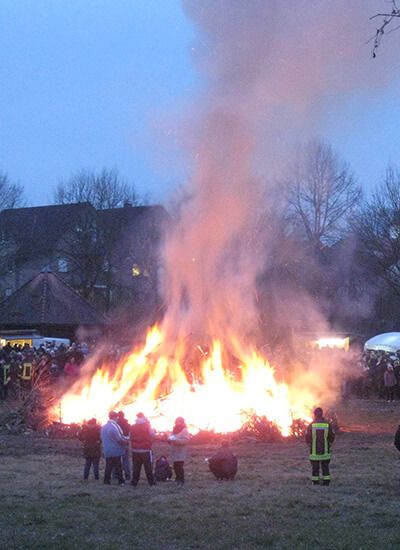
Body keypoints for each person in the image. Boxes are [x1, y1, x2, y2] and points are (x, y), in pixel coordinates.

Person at [305, 407, 335, 486]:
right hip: (325, 451)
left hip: (314, 452)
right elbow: (332, 436)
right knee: (325, 467)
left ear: (314, 415)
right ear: (322, 414)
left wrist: (309, 444)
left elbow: (307, 437)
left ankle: (315, 482)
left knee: (315, 468)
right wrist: (329, 443)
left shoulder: (311, 425)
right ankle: (326, 482)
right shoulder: (327, 424)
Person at [101, 411, 129, 485]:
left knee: (108, 466)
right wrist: (127, 441)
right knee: (118, 466)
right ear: (115, 417)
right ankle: (121, 481)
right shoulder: (114, 427)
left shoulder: (103, 427)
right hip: (115, 450)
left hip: (107, 450)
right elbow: (119, 439)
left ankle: (106, 481)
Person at [129, 412, 156, 487]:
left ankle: (134, 482)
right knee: (148, 467)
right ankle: (151, 482)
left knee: (136, 467)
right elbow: (153, 435)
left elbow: (130, 436)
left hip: (135, 450)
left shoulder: (132, 426)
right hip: (146, 450)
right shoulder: (147, 426)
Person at [168, 417, 190, 486]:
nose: (178, 423)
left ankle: (181, 480)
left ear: (182, 422)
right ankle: (177, 479)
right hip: (174, 451)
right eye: (177, 421)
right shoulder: (174, 430)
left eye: (179, 421)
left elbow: (186, 441)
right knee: (175, 466)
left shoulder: (185, 430)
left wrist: (176, 440)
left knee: (179, 466)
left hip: (181, 451)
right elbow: (171, 438)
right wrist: (169, 439)